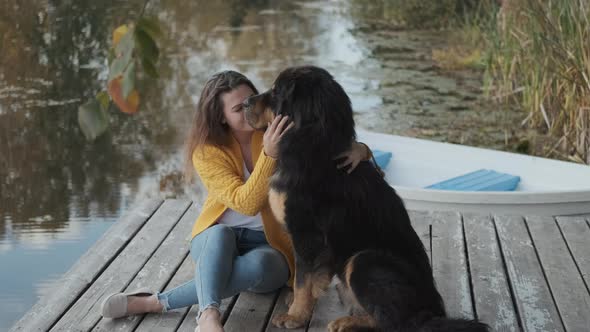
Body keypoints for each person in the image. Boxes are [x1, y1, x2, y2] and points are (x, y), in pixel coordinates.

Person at [100, 70, 372, 332]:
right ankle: (207, 316)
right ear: (220, 118)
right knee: (219, 235)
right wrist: (270, 154)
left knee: (261, 266)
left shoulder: (277, 128)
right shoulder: (206, 152)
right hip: (216, 238)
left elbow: (327, 145)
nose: (249, 109)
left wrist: (361, 149)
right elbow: (245, 203)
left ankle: (155, 301)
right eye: (237, 109)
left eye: (250, 100)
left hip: (270, 243)